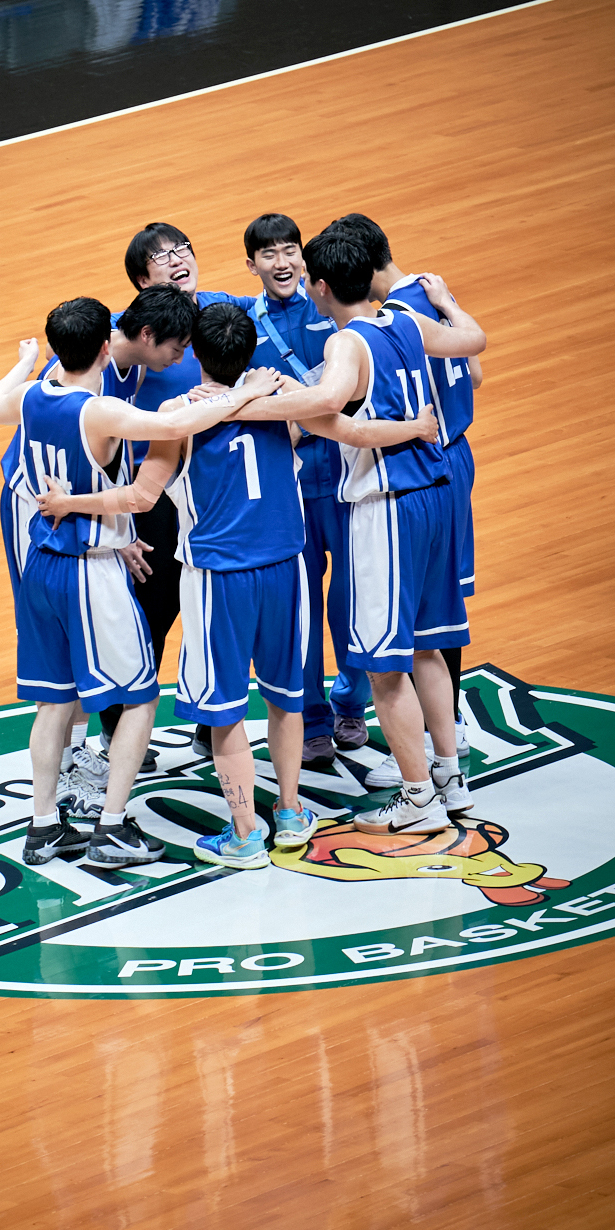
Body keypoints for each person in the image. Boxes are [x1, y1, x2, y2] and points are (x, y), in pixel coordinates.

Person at [37, 302, 439, 868]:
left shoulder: (180, 416)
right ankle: (291, 813)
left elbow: (141, 498)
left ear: (195, 354)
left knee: (224, 711)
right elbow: (343, 423)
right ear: (250, 353)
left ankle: (246, 833)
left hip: (218, 578)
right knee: (286, 700)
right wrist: (414, 427)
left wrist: (69, 503)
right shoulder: (285, 403)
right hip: (287, 570)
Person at [0, 296, 280, 869]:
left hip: (40, 561)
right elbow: (173, 425)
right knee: (140, 697)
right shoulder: (97, 411)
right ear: (104, 347)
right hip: (87, 569)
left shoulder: (33, 395)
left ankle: (43, 828)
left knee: (54, 702)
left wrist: (23, 362)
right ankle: (112, 828)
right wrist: (244, 392)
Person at [299, 225, 487, 834]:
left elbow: (327, 408)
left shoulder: (345, 343)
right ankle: (449, 778)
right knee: (427, 646)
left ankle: (417, 798)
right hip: (435, 497)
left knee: (384, 666)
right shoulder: (407, 320)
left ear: (321, 287)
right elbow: (473, 340)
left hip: (388, 508)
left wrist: (257, 400)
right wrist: (449, 299)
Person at [0, 285, 198, 798]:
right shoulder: (81, 386)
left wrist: (115, 532)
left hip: (75, 510)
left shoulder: (108, 370)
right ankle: (69, 770)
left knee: (67, 657)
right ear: (136, 337)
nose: (180, 359)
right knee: (62, 649)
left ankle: (64, 770)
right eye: (176, 347)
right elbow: (82, 466)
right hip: (37, 506)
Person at [340, 212, 483, 786]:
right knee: (439, 607)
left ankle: (431, 742)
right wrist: (448, 304)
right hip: (455, 454)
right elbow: (475, 373)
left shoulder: (389, 321)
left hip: (422, 460)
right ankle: (445, 736)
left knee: (423, 617)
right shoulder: (431, 294)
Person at [120, 222, 256, 759]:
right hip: (156, 494)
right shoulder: (130, 336)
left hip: (219, 489)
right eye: (162, 256)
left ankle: (212, 720)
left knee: (215, 605)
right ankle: (117, 725)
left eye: (182, 249)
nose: (178, 260)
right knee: (155, 609)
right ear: (141, 280)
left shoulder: (225, 309)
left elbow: (283, 303)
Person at [241, 211, 372, 769]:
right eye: (268, 253)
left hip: (347, 478)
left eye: (290, 249)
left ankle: (353, 702)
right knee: (302, 611)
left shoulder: (331, 309)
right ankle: (313, 719)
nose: (282, 262)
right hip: (289, 491)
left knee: (353, 599)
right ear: (251, 265)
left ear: (304, 256)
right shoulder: (245, 325)